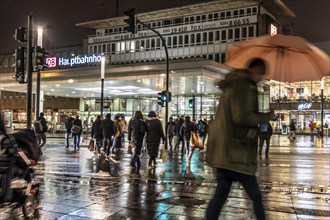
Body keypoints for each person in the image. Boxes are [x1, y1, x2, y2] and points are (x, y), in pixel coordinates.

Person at [205, 58, 277, 220]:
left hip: (225, 152)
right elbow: (242, 117)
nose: (262, 77)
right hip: (238, 154)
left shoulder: (234, 83)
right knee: (256, 196)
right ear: (254, 70)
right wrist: (267, 117)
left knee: (220, 197)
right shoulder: (244, 85)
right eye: (261, 73)